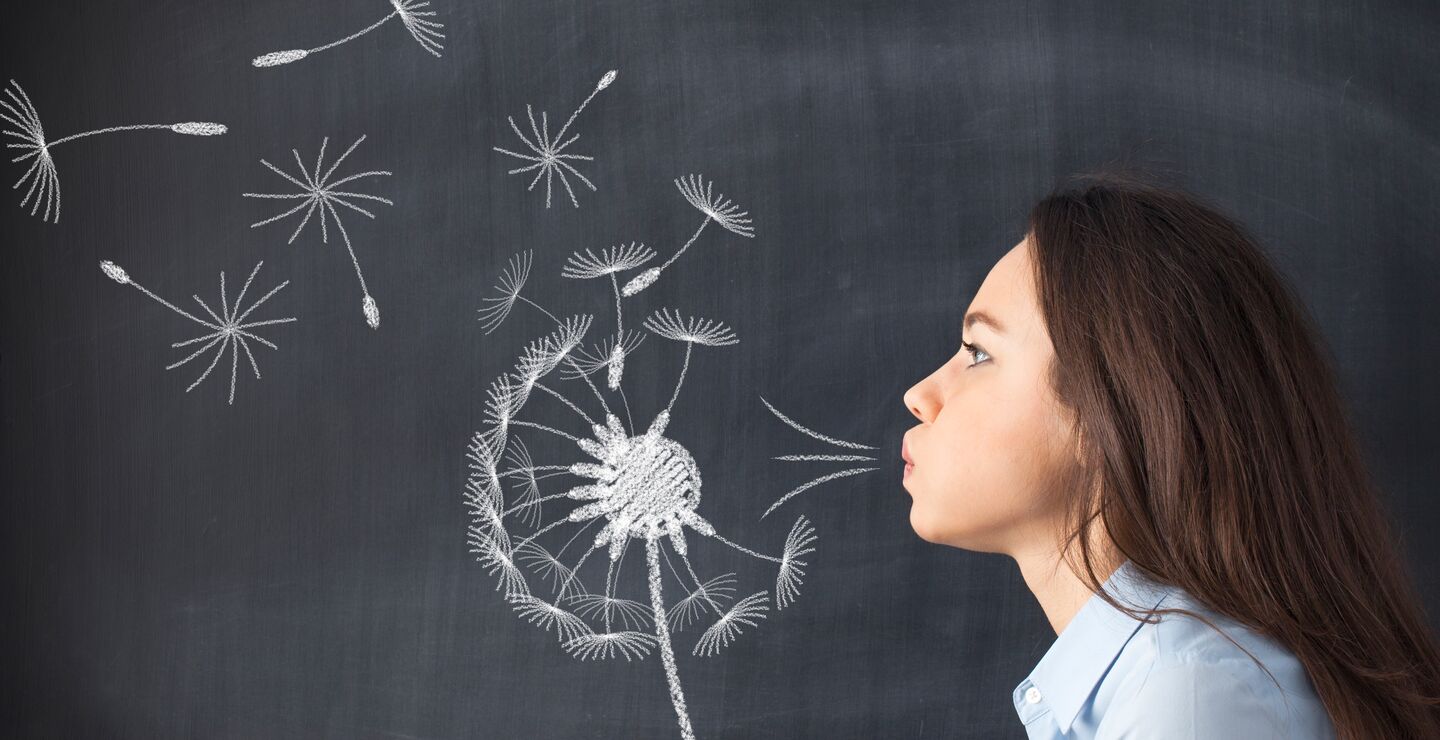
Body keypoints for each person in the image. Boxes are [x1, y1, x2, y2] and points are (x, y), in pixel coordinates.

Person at [900, 171, 1440, 739]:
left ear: (1104, 410)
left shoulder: (1188, 701)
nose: (919, 396)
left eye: (979, 352)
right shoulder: (1174, 686)